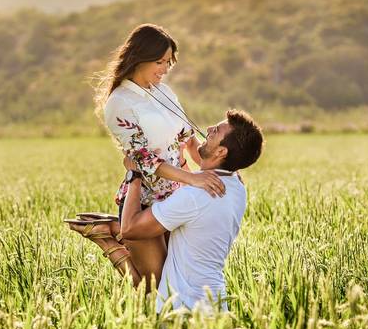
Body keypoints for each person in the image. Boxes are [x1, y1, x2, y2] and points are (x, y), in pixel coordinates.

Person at [64, 23, 225, 287]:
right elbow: (145, 160)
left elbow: (188, 140)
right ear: (139, 57)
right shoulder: (119, 102)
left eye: (168, 63)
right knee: (156, 284)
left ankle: (110, 232)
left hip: (178, 199)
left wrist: (219, 172)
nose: (164, 69)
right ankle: (108, 241)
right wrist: (193, 179)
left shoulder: (164, 91)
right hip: (144, 202)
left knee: (176, 279)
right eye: (159, 62)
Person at [73, 109, 264, 313]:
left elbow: (130, 229)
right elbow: (198, 207)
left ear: (221, 152)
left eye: (215, 131)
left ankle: (105, 239)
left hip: (182, 311)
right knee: (151, 278)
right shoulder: (236, 186)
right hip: (214, 307)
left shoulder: (194, 196)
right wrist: (183, 160)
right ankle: (107, 231)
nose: (208, 129)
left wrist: (135, 175)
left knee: (149, 286)